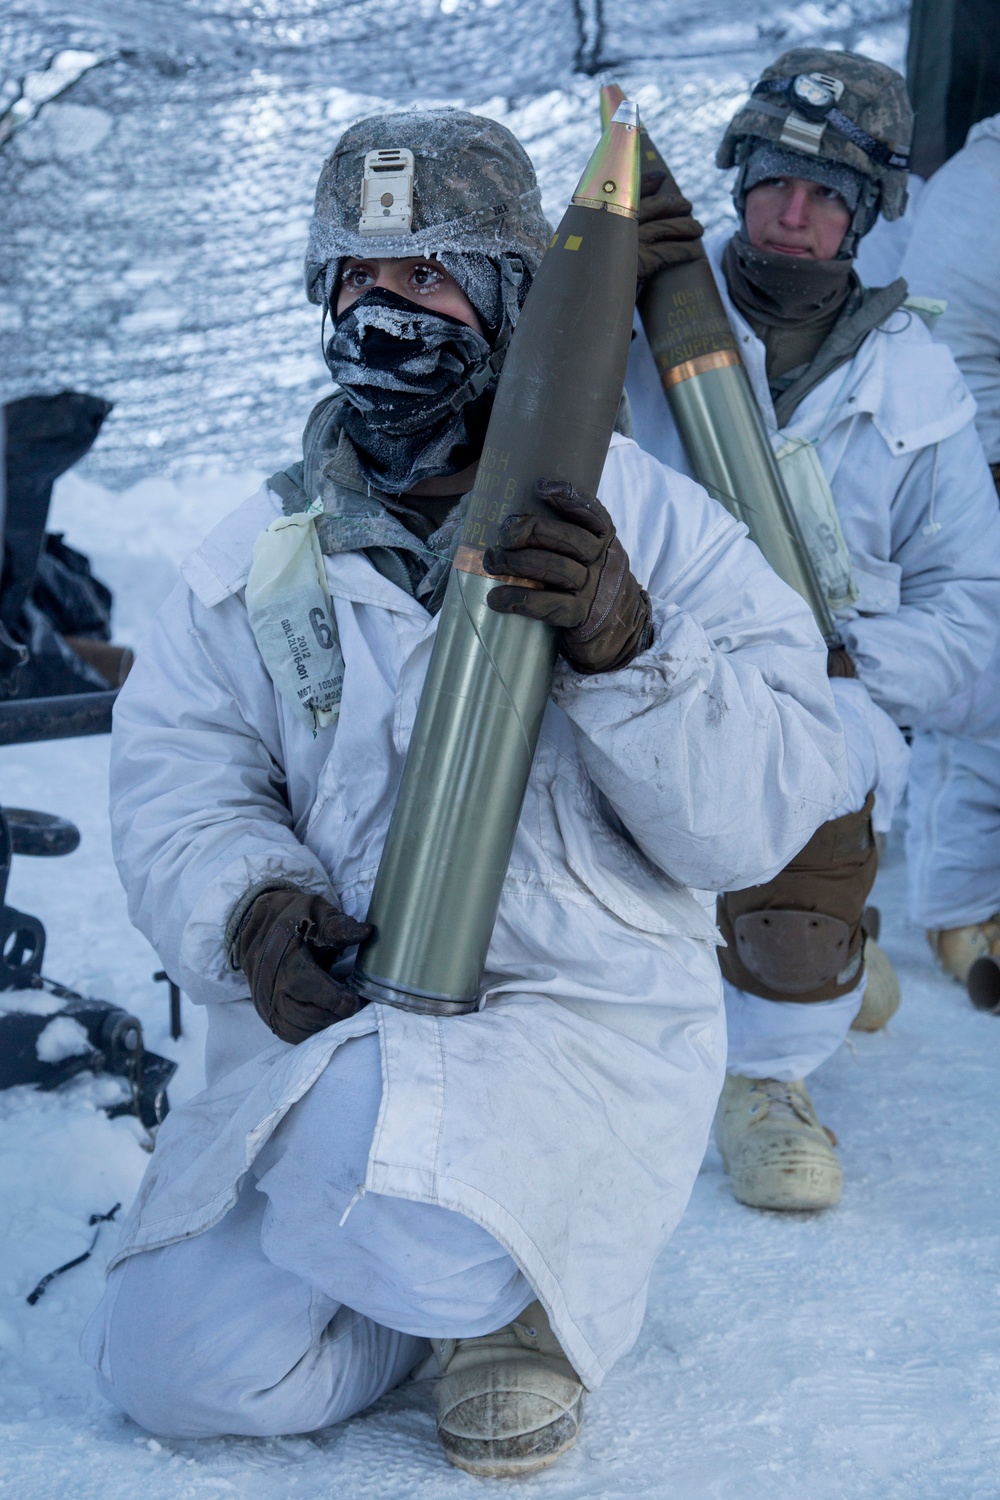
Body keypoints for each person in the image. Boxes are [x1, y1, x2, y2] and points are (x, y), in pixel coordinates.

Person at [81, 109, 847, 1476]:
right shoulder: (260, 554)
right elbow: (178, 784)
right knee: (173, 1366)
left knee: (355, 1165)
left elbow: (764, 810)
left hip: (571, 1029)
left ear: (506, 303)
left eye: (427, 280)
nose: (387, 316)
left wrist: (633, 649)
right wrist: (250, 908)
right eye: (359, 282)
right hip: (337, 1028)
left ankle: (516, 1298)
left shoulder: (654, 521)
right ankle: (434, 1306)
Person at [627, 49, 1000, 1211]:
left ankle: (770, 1076)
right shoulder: (638, 326)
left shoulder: (917, 380)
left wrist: (847, 676)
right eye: (777, 181)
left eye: (830, 193)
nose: (795, 215)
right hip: (635, 676)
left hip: (824, 701)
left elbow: (970, 600)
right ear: (736, 177)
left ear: (870, 213)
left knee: (795, 899)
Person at [898, 116, 1000, 999]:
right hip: (980, 475)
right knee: (979, 715)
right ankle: (958, 915)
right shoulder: (983, 189)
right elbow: (958, 361)